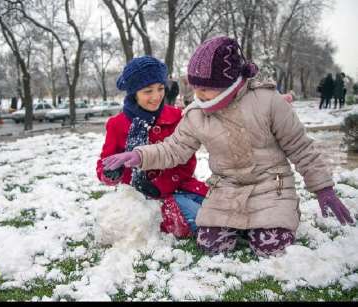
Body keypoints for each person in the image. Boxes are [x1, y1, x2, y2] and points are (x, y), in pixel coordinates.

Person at [102, 36, 354, 257]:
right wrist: (139, 156)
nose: (198, 94)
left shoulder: (268, 102)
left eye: (205, 88)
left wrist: (323, 188)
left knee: (271, 246)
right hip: (227, 186)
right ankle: (244, 224)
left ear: (228, 82)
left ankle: (273, 220)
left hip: (272, 182)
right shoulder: (196, 114)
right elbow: (174, 149)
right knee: (211, 245)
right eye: (195, 87)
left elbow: (301, 148)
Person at [96, 56, 209, 238]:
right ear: (134, 93)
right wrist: (110, 173)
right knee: (204, 219)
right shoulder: (117, 124)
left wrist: (160, 185)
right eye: (148, 91)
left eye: (161, 88)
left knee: (217, 207)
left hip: (180, 187)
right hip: (141, 200)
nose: (156, 96)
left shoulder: (176, 116)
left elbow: (186, 160)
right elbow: (104, 164)